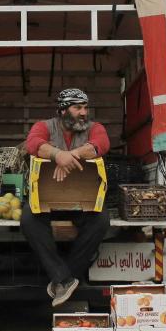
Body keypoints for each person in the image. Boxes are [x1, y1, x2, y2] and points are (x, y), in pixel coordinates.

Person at [20, 88, 111, 306]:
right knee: (28, 219)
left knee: (101, 220)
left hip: (82, 201)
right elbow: (32, 144)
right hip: (47, 200)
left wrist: (71, 156)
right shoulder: (44, 126)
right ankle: (65, 277)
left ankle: (63, 277)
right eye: (77, 107)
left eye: (85, 107)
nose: (83, 113)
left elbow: (102, 144)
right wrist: (56, 154)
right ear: (62, 111)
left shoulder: (94, 128)